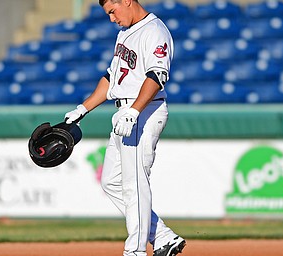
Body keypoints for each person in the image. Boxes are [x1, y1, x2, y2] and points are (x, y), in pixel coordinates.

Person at [64, 0, 186, 255]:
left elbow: (157, 76)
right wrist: (82, 109)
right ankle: (162, 236)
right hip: (125, 112)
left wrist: (134, 111)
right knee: (111, 181)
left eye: (112, 11)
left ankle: (136, 250)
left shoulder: (154, 31)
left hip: (144, 110)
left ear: (127, 1)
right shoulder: (125, 33)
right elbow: (111, 78)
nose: (111, 18)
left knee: (135, 184)